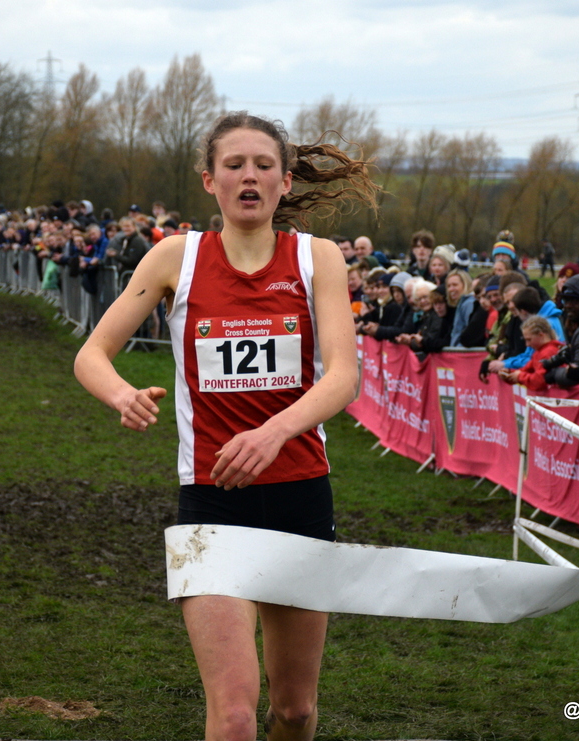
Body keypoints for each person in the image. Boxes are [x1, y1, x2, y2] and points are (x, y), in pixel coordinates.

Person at [73, 111, 376, 741]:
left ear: (285, 182)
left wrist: (273, 433)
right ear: (208, 180)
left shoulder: (317, 258)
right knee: (235, 715)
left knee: (293, 711)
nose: (249, 176)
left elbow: (343, 378)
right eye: (234, 164)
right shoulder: (176, 258)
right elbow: (91, 355)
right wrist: (123, 394)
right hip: (211, 503)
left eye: (264, 165)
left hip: (300, 496)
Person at [499, 316, 562, 392]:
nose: (527, 344)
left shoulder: (548, 352)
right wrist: (509, 373)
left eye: (529, 340)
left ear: (541, 335)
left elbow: (539, 381)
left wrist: (519, 376)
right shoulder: (539, 352)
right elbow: (526, 370)